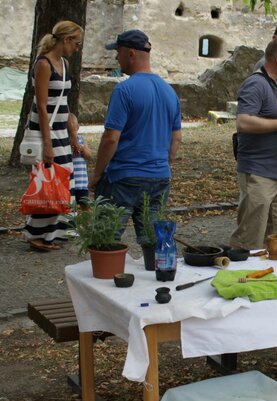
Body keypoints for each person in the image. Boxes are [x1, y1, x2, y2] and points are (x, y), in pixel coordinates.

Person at [92, 29, 182, 244]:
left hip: (124, 177)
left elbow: (111, 138)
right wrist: (163, 162)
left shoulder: (124, 90)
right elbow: (176, 138)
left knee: (105, 239)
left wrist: (97, 173)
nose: (116, 57)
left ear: (131, 54)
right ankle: (155, 272)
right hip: (159, 177)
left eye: (118, 52)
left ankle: (104, 276)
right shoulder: (169, 91)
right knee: (152, 240)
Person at [229, 37, 277, 250]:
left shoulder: (276, 86)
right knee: (251, 238)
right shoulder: (256, 84)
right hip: (259, 172)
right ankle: (243, 277)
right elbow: (243, 122)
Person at [23, 20, 83, 252]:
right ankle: (35, 234)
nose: (76, 48)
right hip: (43, 131)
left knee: (62, 182)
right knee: (46, 182)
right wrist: (47, 144)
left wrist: (72, 135)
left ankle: (52, 233)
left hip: (59, 130)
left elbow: (64, 104)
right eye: (75, 43)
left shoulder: (64, 64)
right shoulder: (44, 64)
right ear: (66, 40)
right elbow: (42, 104)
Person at [67, 113, 92, 211]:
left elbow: (89, 156)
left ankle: (89, 224)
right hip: (69, 183)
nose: (72, 129)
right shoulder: (64, 142)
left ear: (78, 127)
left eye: (74, 126)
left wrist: (82, 149)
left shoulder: (81, 139)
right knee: (70, 207)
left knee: (85, 205)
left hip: (81, 182)